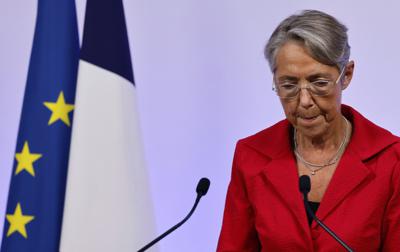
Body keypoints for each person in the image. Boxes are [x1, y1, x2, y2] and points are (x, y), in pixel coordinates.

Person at [217, 10, 400, 251]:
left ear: (347, 75)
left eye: (319, 83)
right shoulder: (251, 156)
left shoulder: (391, 159)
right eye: (289, 85)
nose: (304, 101)